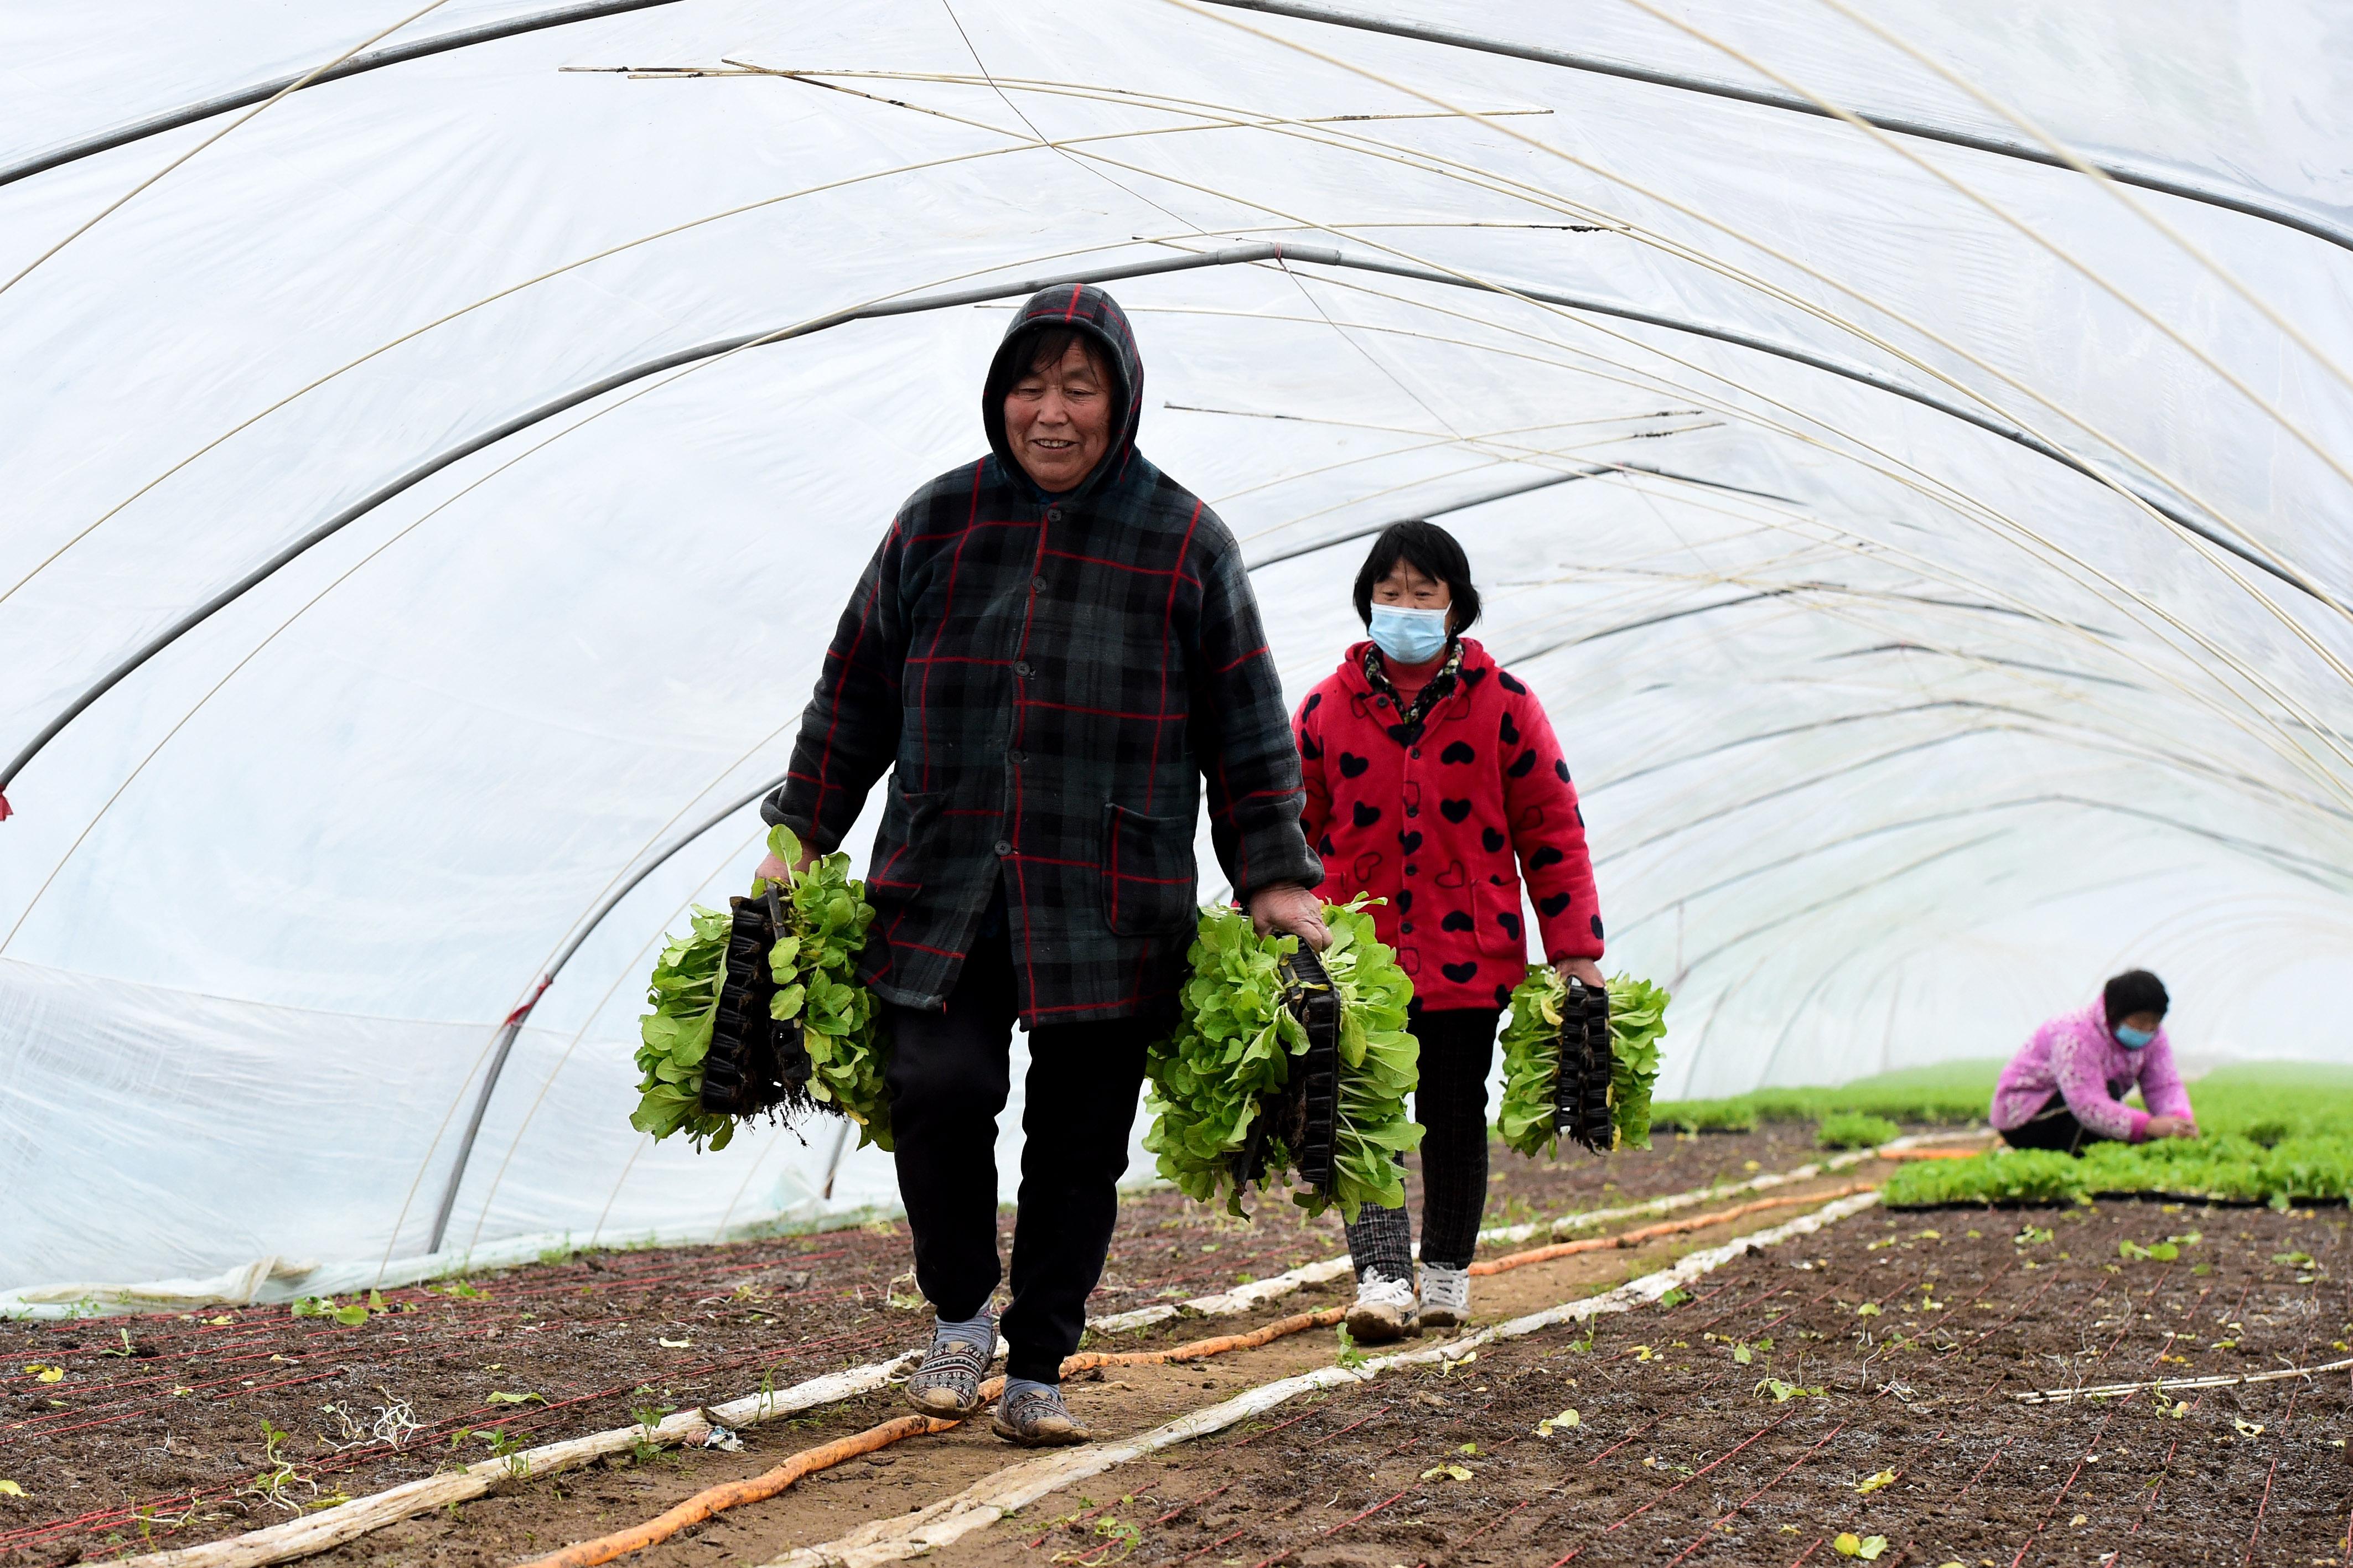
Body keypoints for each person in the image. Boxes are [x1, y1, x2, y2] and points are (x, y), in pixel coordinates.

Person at [753, 285, 1325, 1447]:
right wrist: (800, 829)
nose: (1049, 413)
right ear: (998, 395)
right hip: (944, 878)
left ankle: (1041, 1362)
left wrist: (1272, 875)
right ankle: (961, 1309)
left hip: (1108, 895)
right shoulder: (936, 523)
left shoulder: (1183, 540)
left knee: (1079, 1139)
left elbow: (1246, 726)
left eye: (1078, 387)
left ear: (1120, 399)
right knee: (938, 1088)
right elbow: (854, 688)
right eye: (1030, 385)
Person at [1292, 520, 1603, 1341]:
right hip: (1356, 955)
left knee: (1454, 1109)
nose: (1405, 606)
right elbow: (1290, 826)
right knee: (1360, 1106)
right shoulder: (1326, 708)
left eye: (1423, 593)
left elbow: (1552, 828)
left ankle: (1444, 1275)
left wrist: (1576, 949)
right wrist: (1281, 913)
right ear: (1367, 602)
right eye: (1389, 592)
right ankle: (1382, 1279)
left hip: (1471, 948)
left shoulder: (1504, 706)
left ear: (1456, 605)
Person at [1991, 970, 2197, 1152]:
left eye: (2155, 1022)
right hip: (2026, 1118)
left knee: (2117, 1116)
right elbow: (2087, 1103)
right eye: (2141, 1021)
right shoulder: (2076, 1035)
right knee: (2111, 1101)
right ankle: (2076, 1162)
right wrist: (2148, 1126)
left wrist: (2179, 1120)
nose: (2148, 1029)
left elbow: (2163, 1084)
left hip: (2069, 1111)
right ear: (2115, 1012)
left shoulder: (2154, 1037)